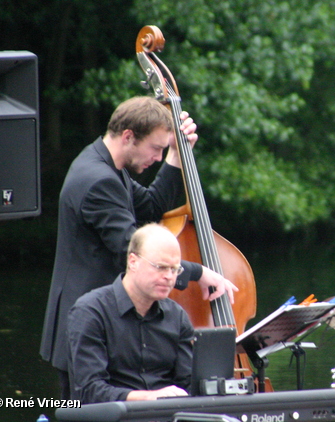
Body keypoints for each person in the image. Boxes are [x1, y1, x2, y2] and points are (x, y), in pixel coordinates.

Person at [40, 96, 237, 399]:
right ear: (129, 136)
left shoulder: (107, 165)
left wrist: (176, 156)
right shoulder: (98, 181)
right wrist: (198, 272)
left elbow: (150, 206)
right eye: (156, 148)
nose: (157, 158)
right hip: (88, 323)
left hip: (109, 319)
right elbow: (131, 251)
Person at [68, 223, 194, 403]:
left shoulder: (177, 316)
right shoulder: (91, 311)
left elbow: (188, 383)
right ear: (133, 261)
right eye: (161, 267)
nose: (169, 277)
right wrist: (149, 397)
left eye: (175, 269)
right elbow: (89, 391)